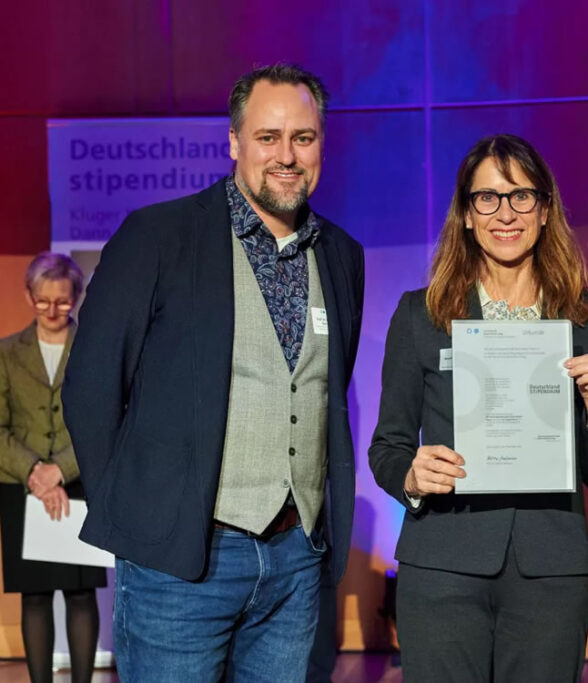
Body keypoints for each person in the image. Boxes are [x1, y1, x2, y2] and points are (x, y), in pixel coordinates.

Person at [62, 64, 364, 682]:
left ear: (321, 145)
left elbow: (322, 393)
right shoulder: (157, 236)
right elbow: (91, 388)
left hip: (295, 562)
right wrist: (141, 516)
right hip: (180, 567)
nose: (287, 155)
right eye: (267, 137)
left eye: (303, 138)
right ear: (233, 142)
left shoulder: (341, 255)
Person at [368, 133, 588, 682]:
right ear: (466, 215)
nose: (505, 213)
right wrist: (411, 477)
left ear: (545, 210)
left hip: (550, 572)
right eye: (487, 198)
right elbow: (388, 446)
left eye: (521, 196)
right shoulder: (421, 315)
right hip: (441, 565)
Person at [0, 253, 102, 683]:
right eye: (43, 301)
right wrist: (35, 473)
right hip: (21, 487)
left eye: (62, 301)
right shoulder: (6, 352)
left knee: (80, 594)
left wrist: (59, 470)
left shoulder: (95, 350)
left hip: (79, 483)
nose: (53, 310)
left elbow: (104, 420)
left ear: (75, 298)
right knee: (35, 595)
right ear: (29, 297)